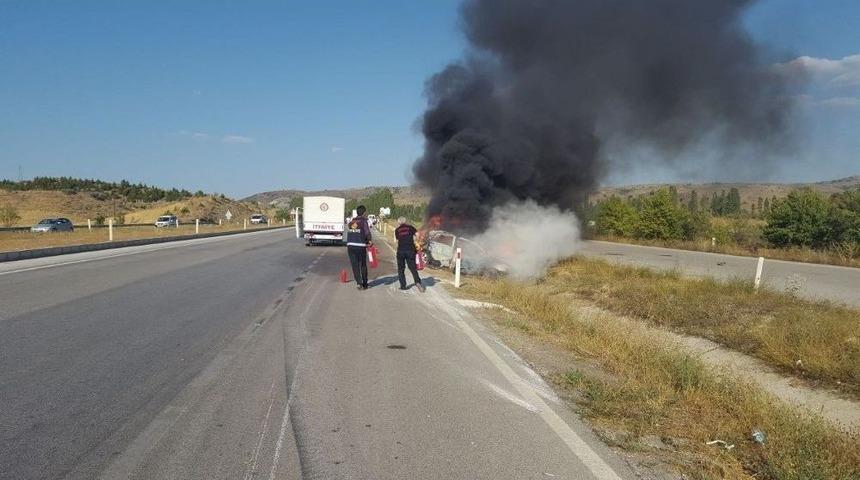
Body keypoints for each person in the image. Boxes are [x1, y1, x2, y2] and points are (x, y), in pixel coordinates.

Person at [394, 217, 425, 292]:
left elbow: (398, 240)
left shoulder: (397, 230)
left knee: (401, 269)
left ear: (399, 223)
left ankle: (403, 285)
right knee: (412, 267)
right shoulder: (410, 227)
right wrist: (416, 242)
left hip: (401, 251)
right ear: (405, 222)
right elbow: (417, 235)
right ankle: (417, 282)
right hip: (410, 250)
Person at [346, 205, 372, 290]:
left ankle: (358, 283)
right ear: (364, 213)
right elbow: (367, 232)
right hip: (360, 245)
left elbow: (350, 230)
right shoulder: (363, 221)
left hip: (350, 245)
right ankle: (365, 283)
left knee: (355, 265)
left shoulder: (352, 221)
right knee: (363, 265)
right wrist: (369, 241)